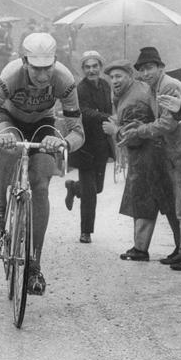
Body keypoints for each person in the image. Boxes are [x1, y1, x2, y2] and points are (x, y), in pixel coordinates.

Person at [0, 32, 84, 295]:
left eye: (48, 68)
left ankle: (34, 265)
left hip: (43, 124)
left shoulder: (65, 80)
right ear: (24, 62)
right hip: (9, 118)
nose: (43, 76)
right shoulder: (10, 76)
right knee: (8, 142)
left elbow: (78, 131)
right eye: (36, 69)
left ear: (55, 62)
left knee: (40, 185)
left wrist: (63, 143)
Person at [121, 46, 181, 270]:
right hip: (177, 155)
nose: (145, 73)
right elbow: (159, 120)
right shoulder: (152, 89)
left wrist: (140, 131)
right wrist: (140, 125)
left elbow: (169, 123)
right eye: (142, 70)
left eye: (150, 68)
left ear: (161, 67)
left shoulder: (169, 86)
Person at [111, 60, 176, 262]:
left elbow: (135, 134)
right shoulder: (133, 92)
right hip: (149, 153)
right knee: (163, 200)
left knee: (147, 199)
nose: (114, 81)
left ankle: (142, 248)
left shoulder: (135, 97)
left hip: (148, 154)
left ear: (130, 76)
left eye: (118, 76)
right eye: (111, 77)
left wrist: (116, 131)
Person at [64, 51, 113, 244]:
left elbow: (109, 108)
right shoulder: (80, 89)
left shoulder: (105, 86)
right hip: (84, 145)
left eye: (95, 66)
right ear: (83, 69)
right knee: (91, 194)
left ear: (100, 67)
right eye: (87, 67)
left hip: (101, 145)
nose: (92, 70)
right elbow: (82, 111)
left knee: (97, 188)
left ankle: (73, 187)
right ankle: (86, 232)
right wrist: (104, 117)